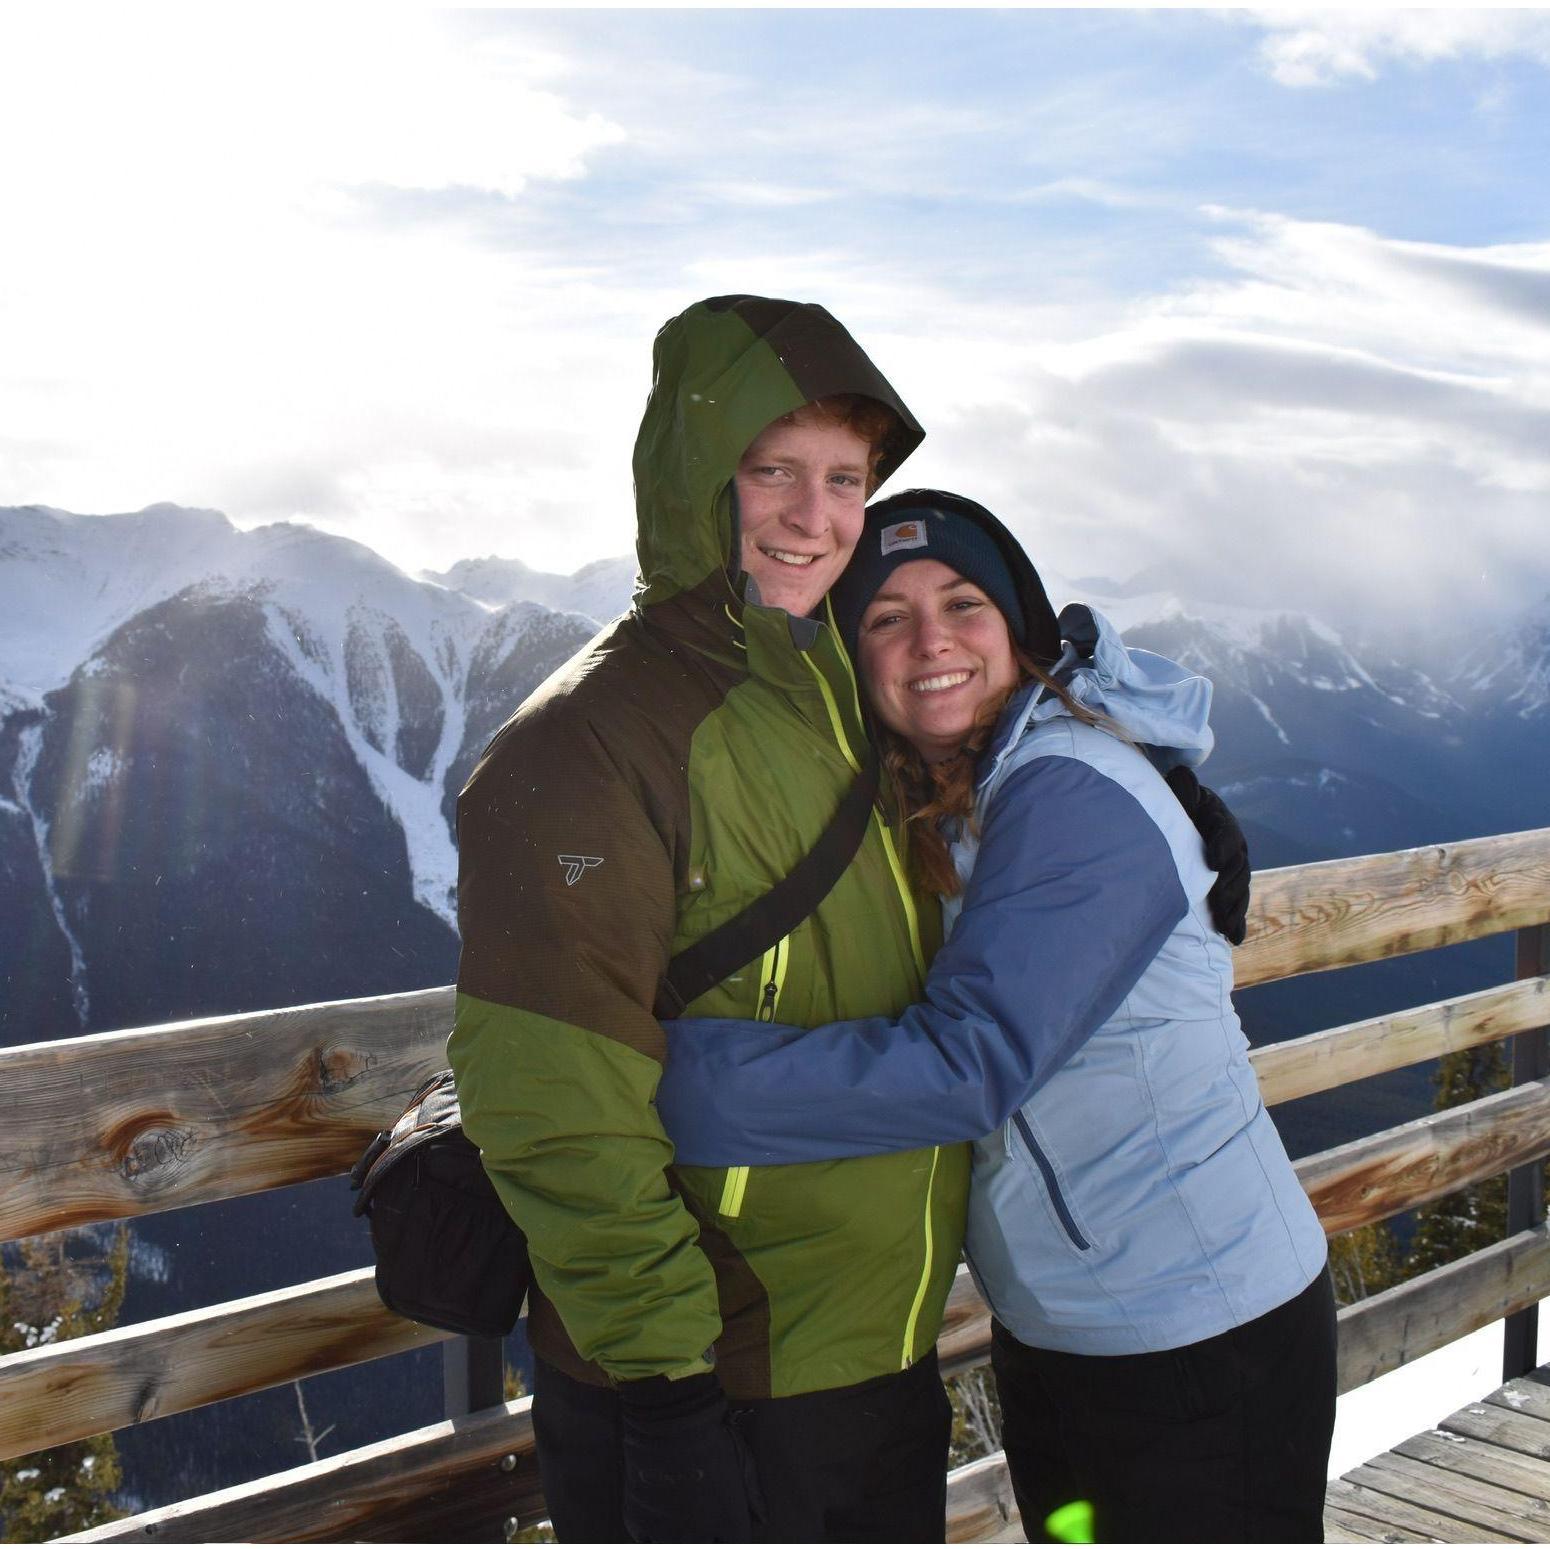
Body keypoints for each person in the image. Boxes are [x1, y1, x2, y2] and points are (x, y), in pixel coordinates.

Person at [449, 297, 1249, 1544]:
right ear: (694, 475)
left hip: (872, 1354)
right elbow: (550, 1103)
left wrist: (1164, 794)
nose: (813, 515)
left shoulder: (829, 681)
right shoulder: (585, 745)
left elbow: (992, 728)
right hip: (718, 1374)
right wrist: (664, 1390)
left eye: (842, 479)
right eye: (771, 469)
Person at [656, 491, 1336, 1544]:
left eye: (962, 603)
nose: (930, 640)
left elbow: (968, 1063)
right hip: (1070, 1327)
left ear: (1016, 629)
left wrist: (652, 1080)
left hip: (1197, 1332)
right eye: (887, 617)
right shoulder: (950, 791)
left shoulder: (1068, 787)